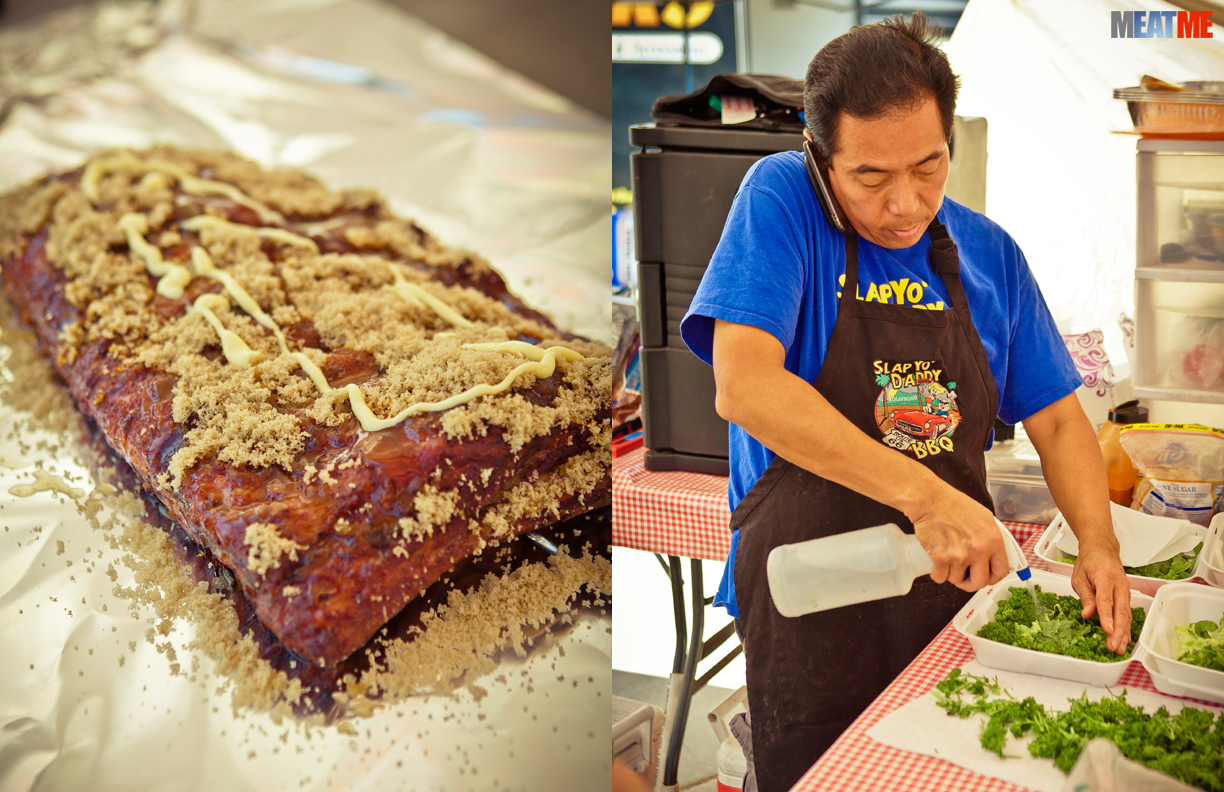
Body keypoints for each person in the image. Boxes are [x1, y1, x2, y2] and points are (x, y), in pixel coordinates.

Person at [678, 14, 1132, 792]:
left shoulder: (989, 254)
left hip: (948, 593)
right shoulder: (784, 201)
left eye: (929, 167)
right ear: (821, 159)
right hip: (811, 587)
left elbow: (1057, 418)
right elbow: (745, 385)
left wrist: (1099, 542)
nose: (905, 204)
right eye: (871, 178)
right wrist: (926, 496)